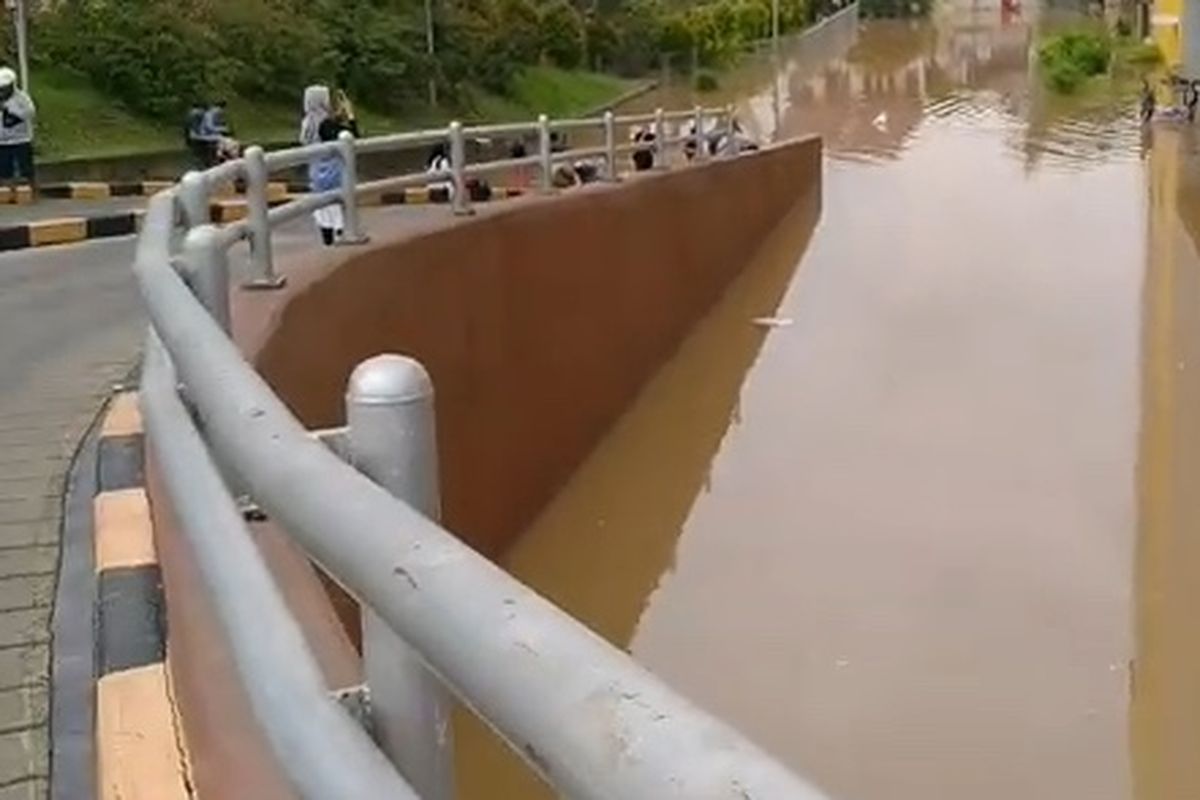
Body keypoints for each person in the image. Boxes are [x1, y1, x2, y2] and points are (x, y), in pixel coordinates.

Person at [311, 117, 346, 246]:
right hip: (336, 190)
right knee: (338, 221)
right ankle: (338, 239)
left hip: (318, 190)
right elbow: (355, 138)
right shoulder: (341, 148)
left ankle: (328, 244)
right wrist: (350, 118)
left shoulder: (314, 147)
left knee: (324, 223)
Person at [0, 67, 36, 187]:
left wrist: (10, 111)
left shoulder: (21, 98)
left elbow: (30, 112)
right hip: (2, 141)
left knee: (25, 169)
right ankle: (6, 191)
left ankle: (29, 190)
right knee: (4, 171)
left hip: (21, 139)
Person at [183, 102, 207, 167]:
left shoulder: (189, 115)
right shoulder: (202, 113)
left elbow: (186, 127)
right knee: (203, 152)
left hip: (191, 136)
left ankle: (197, 165)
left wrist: (186, 138)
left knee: (196, 153)